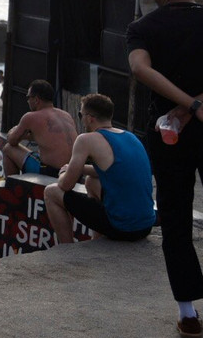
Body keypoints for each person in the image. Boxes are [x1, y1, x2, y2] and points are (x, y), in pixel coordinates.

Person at [126, 0, 203, 338]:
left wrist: (187, 107)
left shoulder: (144, 27)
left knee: (175, 219)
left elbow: (141, 69)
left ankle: (189, 315)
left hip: (168, 135)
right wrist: (196, 105)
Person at [43, 93, 154, 246]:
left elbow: (65, 185)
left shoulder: (85, 140)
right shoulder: (131, 137)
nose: (81, 119)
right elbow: (112, 170)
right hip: (145, 226)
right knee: (92, 181)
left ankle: (65, 248)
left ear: (89, 118)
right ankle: (97, 239)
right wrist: (81, 169)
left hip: (122, 228)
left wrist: (63, 172)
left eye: (81, 114)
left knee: (51, 192)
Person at [1, 79, 77, 177]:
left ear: (36, 100)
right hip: (74, 171)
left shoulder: (30, 117)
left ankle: (12, 188)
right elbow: (53, 139)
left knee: (8, 148)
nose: (28, 101)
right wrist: (30, 136)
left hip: (53, 172)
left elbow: (12, 140)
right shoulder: (66, 115)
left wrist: (14, 131)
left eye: (28, 97)